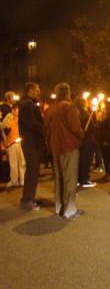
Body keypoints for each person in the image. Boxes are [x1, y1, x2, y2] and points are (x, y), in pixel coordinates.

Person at [44, 83, 84, 219]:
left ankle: (58, 206)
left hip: (55, 147)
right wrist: (81, 134)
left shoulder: (50, 109)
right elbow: (74, 128)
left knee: (58, 178)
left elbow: (46, 130)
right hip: (69, 147)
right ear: (67, 93)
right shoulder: (69, 107)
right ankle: (69, 209)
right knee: (69, 178)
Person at [18, 82, 44, 211]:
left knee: (32, 170)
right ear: (30, 90)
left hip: (29, 141)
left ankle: (29, 198)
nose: (39, 92)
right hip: (31, 142)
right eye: (37, 89)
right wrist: (44, 127)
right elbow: (31, 123)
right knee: (33, 171)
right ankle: (28, 200)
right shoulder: (28, 104)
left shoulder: (26, 104)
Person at [2, 104, 26, 187]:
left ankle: (22, 179)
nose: (18, 112)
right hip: (11, 143)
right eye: (17, 110)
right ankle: (14, 180)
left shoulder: (21, 118)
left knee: (22, 162)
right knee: (13, 163)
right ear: (13, 110)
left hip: (20, 143)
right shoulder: (8, 118)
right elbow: (3, 128)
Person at [74, 98, 96, 188]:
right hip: (86, 140)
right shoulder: (86, 115)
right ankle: (84, 179)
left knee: (79, 160)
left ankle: (78, 178)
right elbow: (91, 128)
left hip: (77, 139)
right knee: (86, 160)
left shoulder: (75, 113)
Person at [98, 101, 110, 182]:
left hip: (108, 141)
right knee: (105, 157)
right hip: (103, 139)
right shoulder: (105, 116)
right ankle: (107, 173)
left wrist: (106, 139)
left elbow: (109, 129)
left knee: (109, 157)